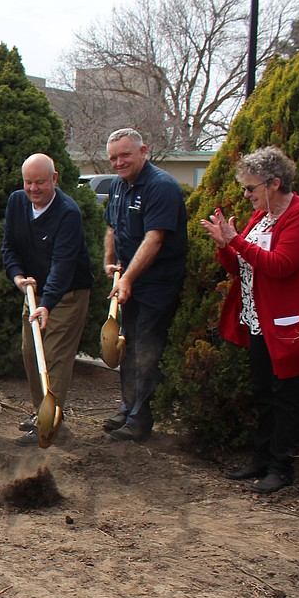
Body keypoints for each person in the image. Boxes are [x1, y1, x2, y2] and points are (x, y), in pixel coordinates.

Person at [201, 146, 299, 494]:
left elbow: (280, 265)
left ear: (274, 183)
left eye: (251, 188)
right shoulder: (261, 217)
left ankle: (281, 467)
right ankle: (261, 459)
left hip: (293, 324)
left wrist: (237, 243)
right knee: (263, 392)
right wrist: (224, 245)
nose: (246, 195)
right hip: (260, 320)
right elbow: (239, 266)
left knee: (286, 396)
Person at [102, 128, 188, 442]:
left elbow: (154, 239)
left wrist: (127, 278)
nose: (118, 162)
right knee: (127, 343)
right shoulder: (118, 185)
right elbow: (112, 224)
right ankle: (127, 406)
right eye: (113, 157)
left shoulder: (161, 187)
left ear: (143, 151)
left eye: (125, 155)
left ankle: (141, 417)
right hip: (131, 282)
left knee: (147, 348)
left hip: (157, 283)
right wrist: (111, 261)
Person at [2, 153, 94, 446]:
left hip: (67, 294)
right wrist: (18, 277)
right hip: (33, 290)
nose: (33, 189)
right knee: (30, 353)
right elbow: (9, 249)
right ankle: (40, 414)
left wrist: (47, 303)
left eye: (40, 182)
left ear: (54, 179)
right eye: (28, 182)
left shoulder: (67, 213)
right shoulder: (17, 203)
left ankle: (50, 424)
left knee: (53, 357)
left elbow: (62, 265)